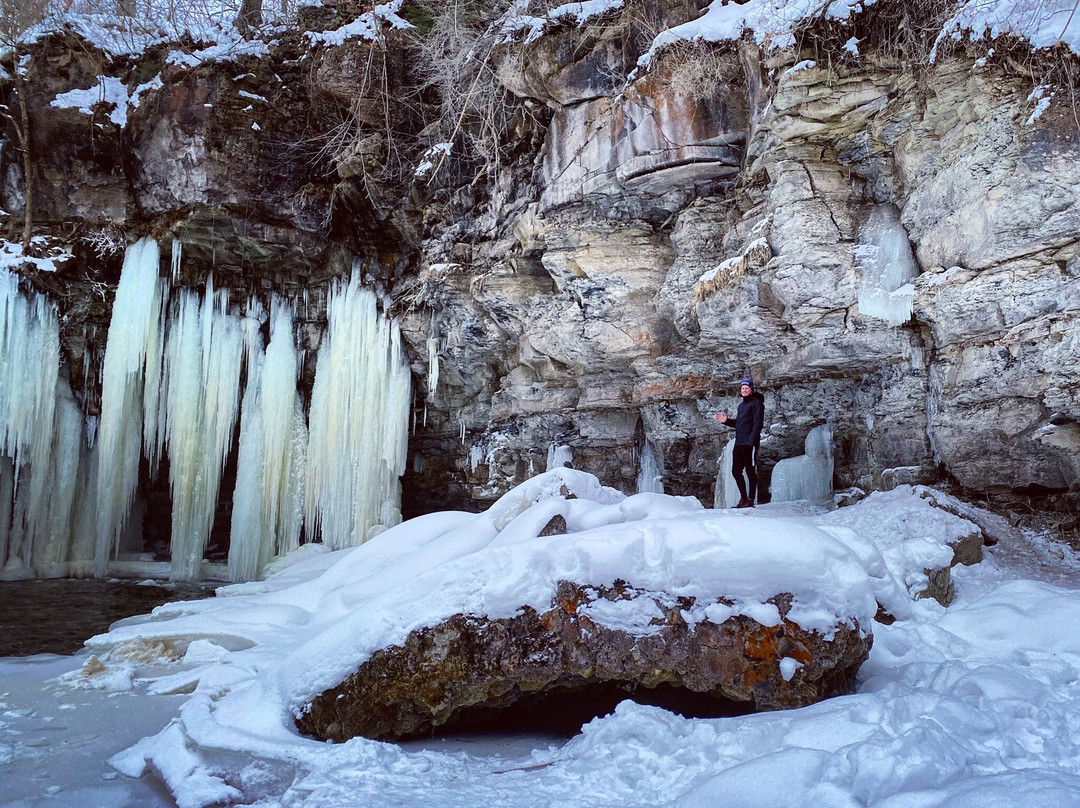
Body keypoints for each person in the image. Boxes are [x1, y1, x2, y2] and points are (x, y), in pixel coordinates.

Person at [714, 377, 765, 508]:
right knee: (736, 471)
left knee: (750, 471)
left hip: (750, 443)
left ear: (751, 390)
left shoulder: (757, 404)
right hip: (739, 443)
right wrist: (726, 421)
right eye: (742, 388)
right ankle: (743, 498)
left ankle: (750, 499)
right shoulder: (741, 406)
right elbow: (739, 424)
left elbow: (757, 423)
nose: (744, 390)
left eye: (747, 388)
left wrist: (751, 442)